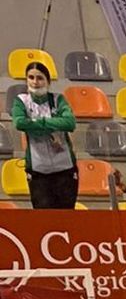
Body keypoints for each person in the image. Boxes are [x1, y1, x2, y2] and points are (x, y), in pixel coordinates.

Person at [11, 61, 77, 210]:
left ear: (48, 81)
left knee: (67, 217)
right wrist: (53, 124)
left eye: (40, 78)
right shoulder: (21, 101)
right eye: (31, 77)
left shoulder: (58, 99)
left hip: (65, 169)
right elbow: (20, 123)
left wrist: (37, 124)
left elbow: (69, 123)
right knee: (43, 217)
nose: (35, 82)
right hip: (38, 170)